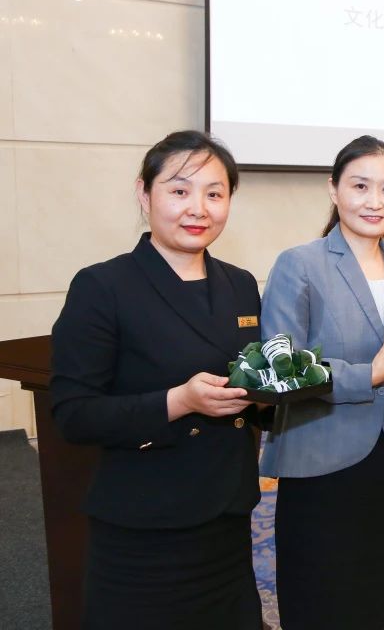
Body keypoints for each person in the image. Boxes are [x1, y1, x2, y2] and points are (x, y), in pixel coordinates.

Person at [50, 131, 264, 630]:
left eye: (215, 193)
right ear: (144, 194)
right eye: (179, 190)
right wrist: (179, 401)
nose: (198, 209)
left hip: (228, 517)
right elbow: (74, 414)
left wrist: (273, 395)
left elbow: (248, 384)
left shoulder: (239, 284)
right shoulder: (102, 286)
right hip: (145, 527)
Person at [259, 136, 384, 630]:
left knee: (380, 602)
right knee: (323, 602)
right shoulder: (300, 264)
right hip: (323, 458)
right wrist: (369, 375)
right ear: (334, 189)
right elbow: (283, 367)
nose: (375, 201)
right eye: (360, 186)